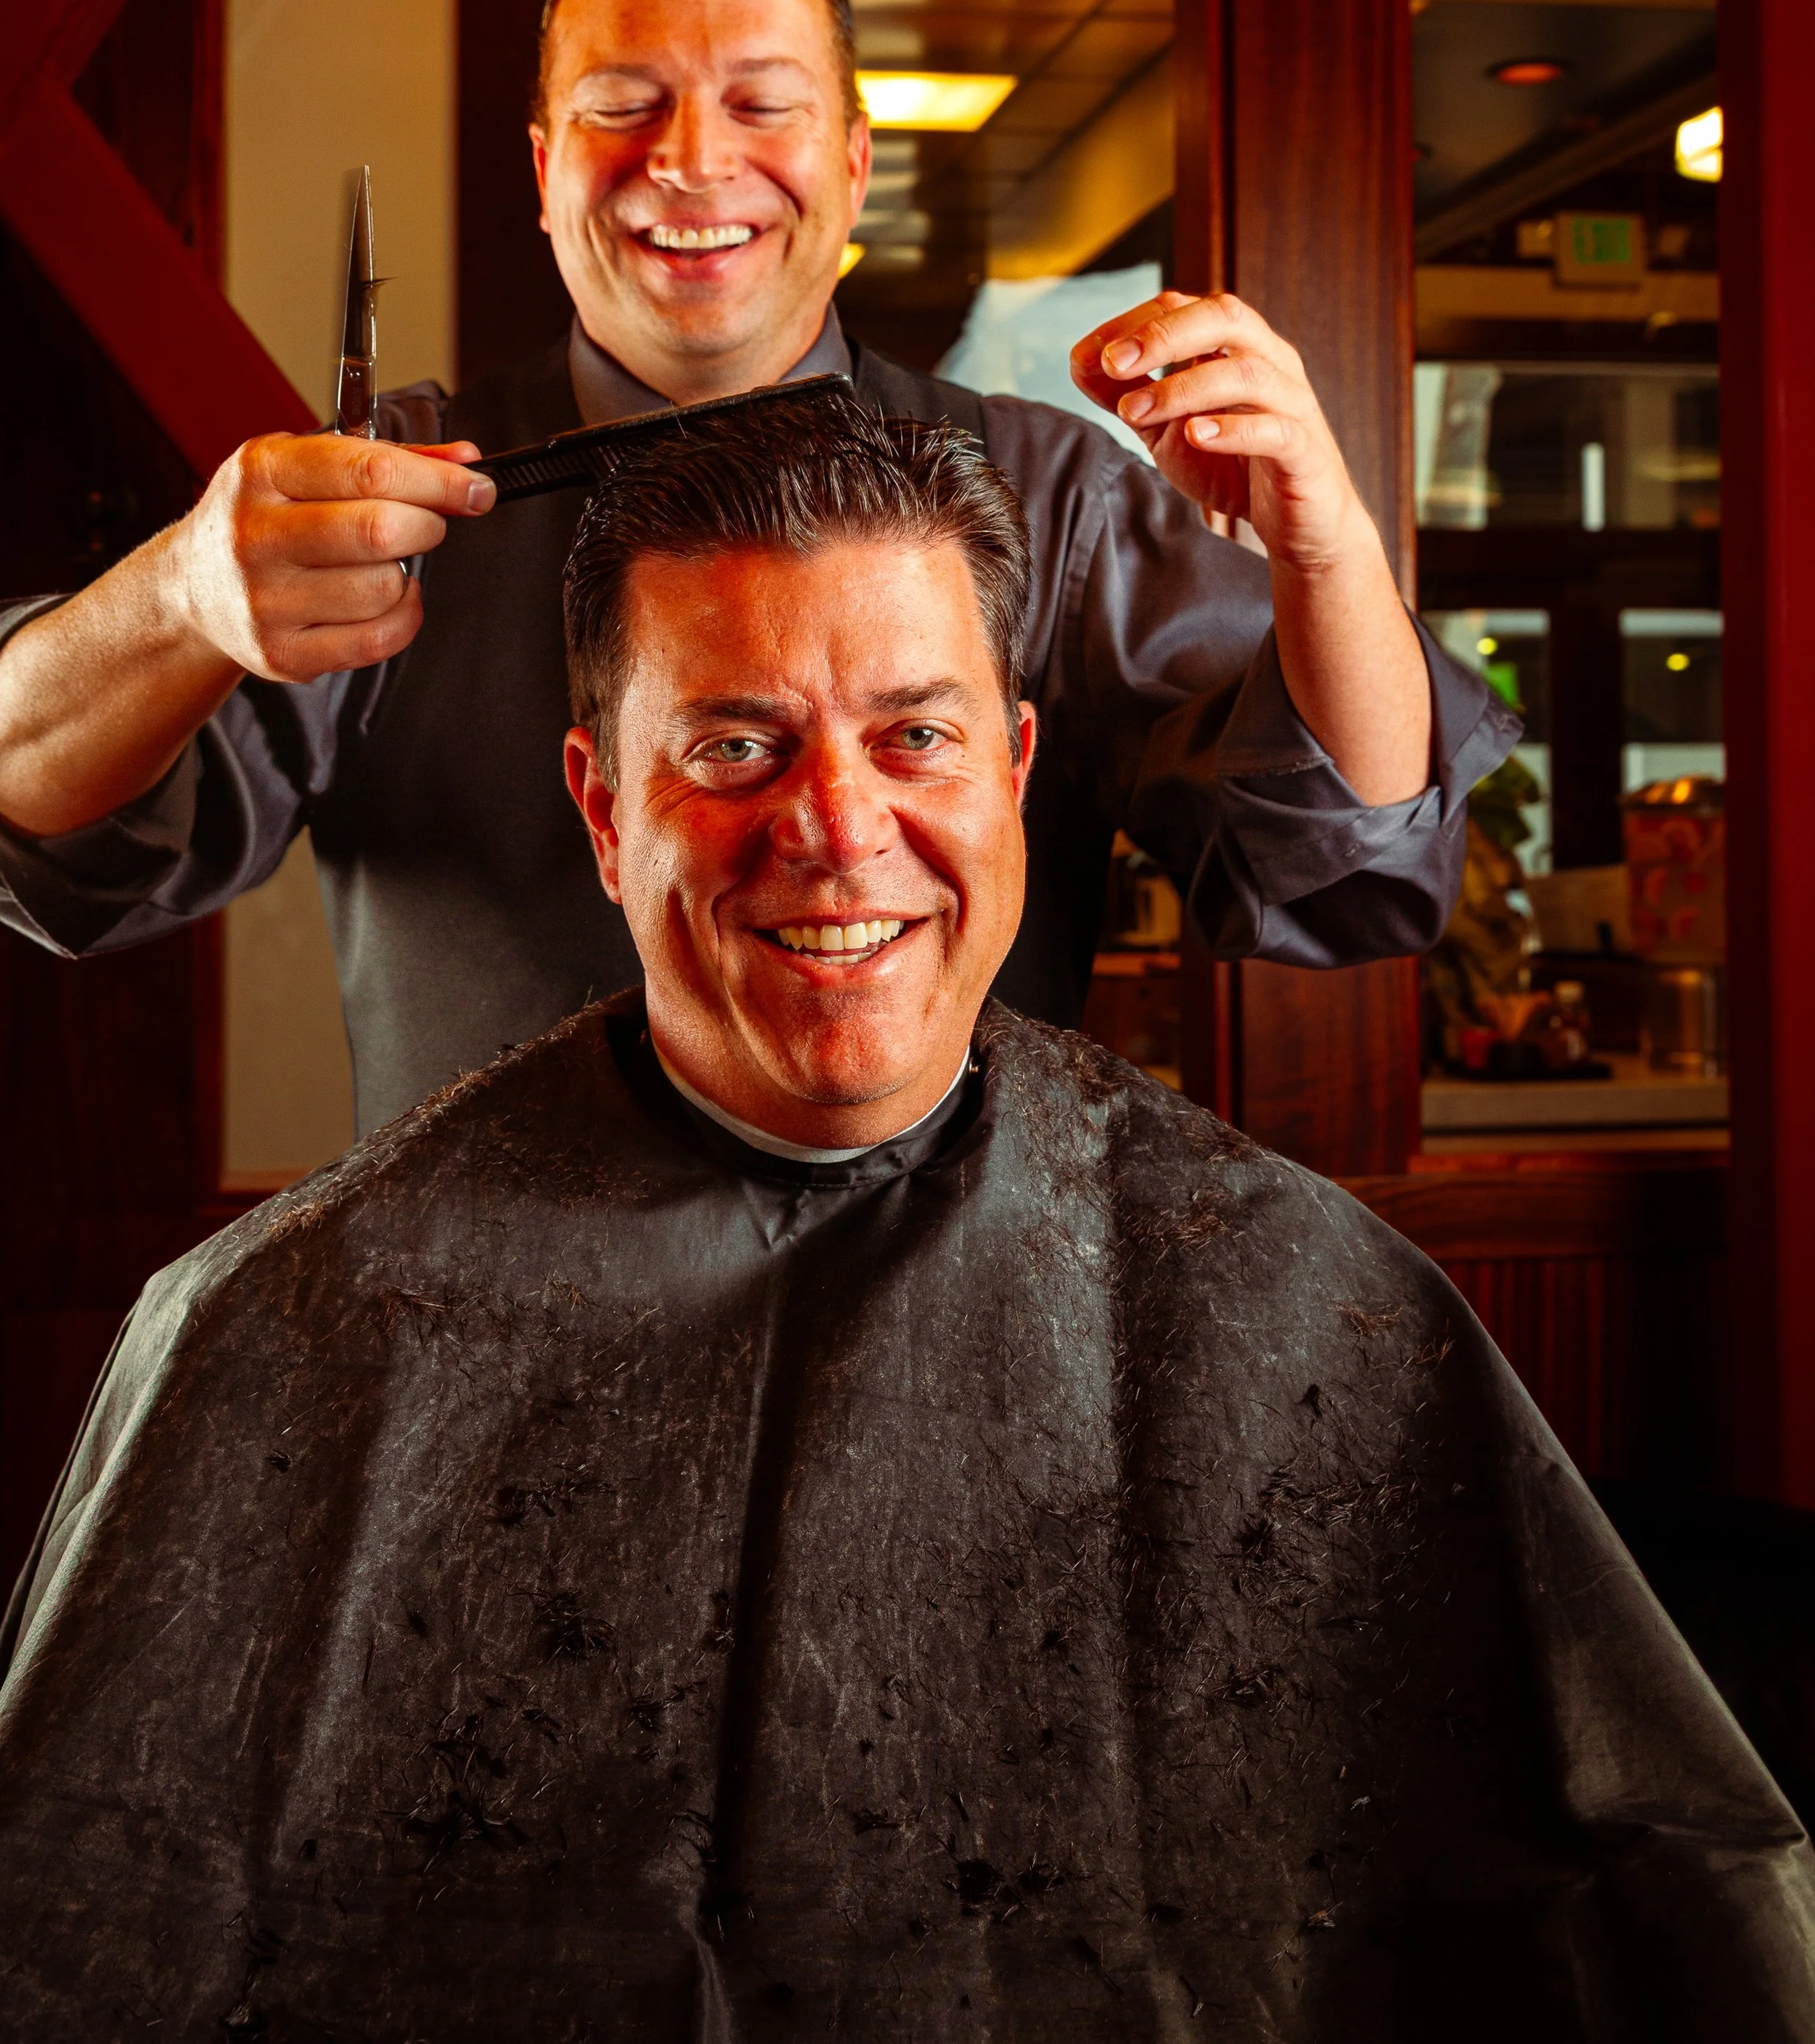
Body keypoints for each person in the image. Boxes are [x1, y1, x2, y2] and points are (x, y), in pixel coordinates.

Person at [0, 392, 1805, 2041]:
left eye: (913, 735)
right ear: (601, 811)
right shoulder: (292, 1337)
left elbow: (1659, 1908)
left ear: (1017, 771)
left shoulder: (1293, 1304)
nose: (837, 828)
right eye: (732, 748)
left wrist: (1324, 545)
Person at [0, 0, 1515, 1135]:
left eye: (759, 103)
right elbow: (50, 855)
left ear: (853, 172)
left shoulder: (1045, 495)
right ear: (542, 172)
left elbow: (1347, 870)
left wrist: (1328, 544)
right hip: (485, 1365)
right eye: (622, 104)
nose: (693, 159)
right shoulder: (379, 506)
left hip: (957, 1353)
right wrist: (185, 597)